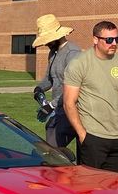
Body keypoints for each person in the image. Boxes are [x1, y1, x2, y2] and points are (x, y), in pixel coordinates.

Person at [62, 21, 118, 173]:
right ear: (95, 39)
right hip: (93, 137)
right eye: (108, 40)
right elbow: (69, 103)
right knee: (90, 190)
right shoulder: (79, 64)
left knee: (116, 189)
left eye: (117, 39)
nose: (113, 43)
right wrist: (83, 135)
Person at [32, 13, 82, 148]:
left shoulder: (73, 54)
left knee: (53, 152)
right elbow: (50, 78)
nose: (46, 43)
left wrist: (51, 106)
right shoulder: (53, 52)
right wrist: (40, 88)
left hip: (75, 111)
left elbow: (75, 87)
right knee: (52, 148)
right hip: (59, 110)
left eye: (48, 40)